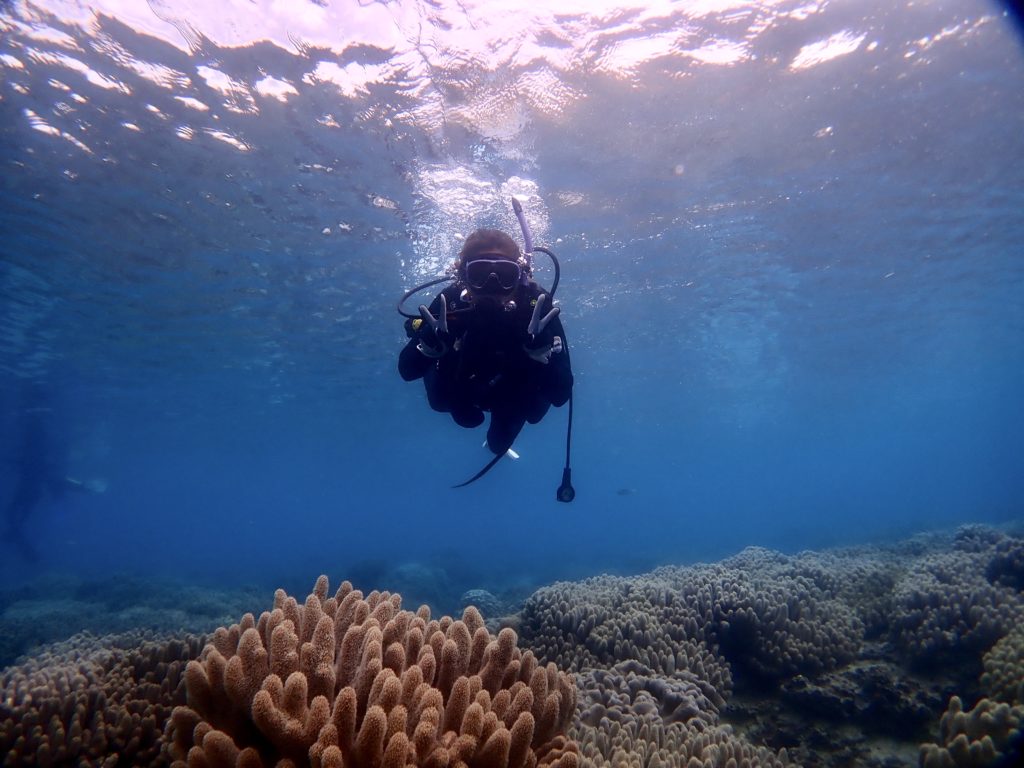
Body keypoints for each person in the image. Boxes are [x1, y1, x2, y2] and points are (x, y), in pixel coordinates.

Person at [399, 228, 573, 459]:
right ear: (463, 275)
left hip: (513, 392)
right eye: (480, 274)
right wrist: (431, 345)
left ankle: (495, 442)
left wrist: (543, 355)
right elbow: (407, 371)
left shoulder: (535, 306)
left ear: (520, 274)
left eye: (505, 274)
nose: (493, 285)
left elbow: (561, 396)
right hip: (459, 385)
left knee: (501, 442)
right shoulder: (449, 302)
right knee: (445, 406)